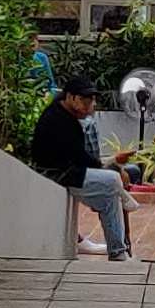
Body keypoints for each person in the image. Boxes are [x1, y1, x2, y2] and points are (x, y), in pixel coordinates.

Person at [29, 79, 132, 261]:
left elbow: (81, 157)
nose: (90, 106)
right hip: (57, 174)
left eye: (91, 101)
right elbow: (80, 157)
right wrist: (111, 164)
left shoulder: (65, 118)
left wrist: (110, 163)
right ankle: (128, 202)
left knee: (110, 196)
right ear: (71, 97)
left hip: (68, 171)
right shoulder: (59, 120)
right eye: (85, 101)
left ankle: (118, 252)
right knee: (113, 180)